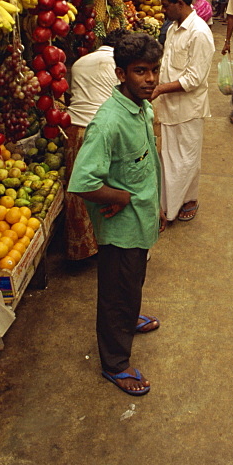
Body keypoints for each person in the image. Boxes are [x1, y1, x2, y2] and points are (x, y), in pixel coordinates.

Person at [67, 33, 164, 397]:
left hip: (142, 220)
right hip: (120, 228)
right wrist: (120, 196)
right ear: (121, 74)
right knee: (115, 291)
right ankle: (115, 363)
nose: (150, 79)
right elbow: (82, 182)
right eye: (140, 71)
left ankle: (128, 317)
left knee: (132, 280)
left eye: (154, 70)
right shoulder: (107, 122)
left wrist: (157, 206)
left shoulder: (142, 107)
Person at [152, 0, 215, 224]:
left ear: (180, 3)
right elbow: (167, 64)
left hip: (188, 109)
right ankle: (170, 204)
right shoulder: (172, 28)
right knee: (169, 158)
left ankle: (188, 201)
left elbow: (194, 79)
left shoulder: (199, 33)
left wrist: (159, 89)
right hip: (169, 107)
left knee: (187, 159)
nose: (162, 9)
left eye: (166, 5)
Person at [64, 32, 121, 266]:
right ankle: (109, 244)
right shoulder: (120, 65)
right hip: (103, 130)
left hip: (75, 129)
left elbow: (71, 96)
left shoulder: (79, 63)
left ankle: (80, 249)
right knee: (110, 188)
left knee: (78, 190)